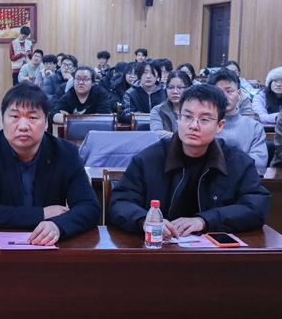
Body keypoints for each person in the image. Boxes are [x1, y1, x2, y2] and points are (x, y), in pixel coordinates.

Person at [108, 84, 270, 239]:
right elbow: (120, 202)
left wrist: (204, 221)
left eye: (204, 119)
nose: (194, 126)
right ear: (178, 119)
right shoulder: (148, 159)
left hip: (213, 252)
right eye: (187, 117)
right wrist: (145, 220)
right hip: (158, 247)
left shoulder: (238, 162)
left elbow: (255, 208)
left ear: (220, 125)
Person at [0, 83, 99, 245]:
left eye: (33, 118)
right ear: (2, 120)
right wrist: (41, 214)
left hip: (49, 246)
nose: (23, 126)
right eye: (14, 117)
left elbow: (89, 207)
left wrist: (58, 225)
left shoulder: (66, 153)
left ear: (46, 122)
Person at [208, 69, 268, 169]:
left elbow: (260, 162)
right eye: (219, 92)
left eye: (229, 91)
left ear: (239, 94)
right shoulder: (203, 125)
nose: (224, 96)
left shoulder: (254, 127)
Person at [150, 71, 192, 137]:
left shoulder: (195, 110)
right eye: (171, 87)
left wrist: (172, 135)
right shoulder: (158, 110)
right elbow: (156, 134)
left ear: (189, 89)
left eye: (180, 88)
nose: (175, 91)